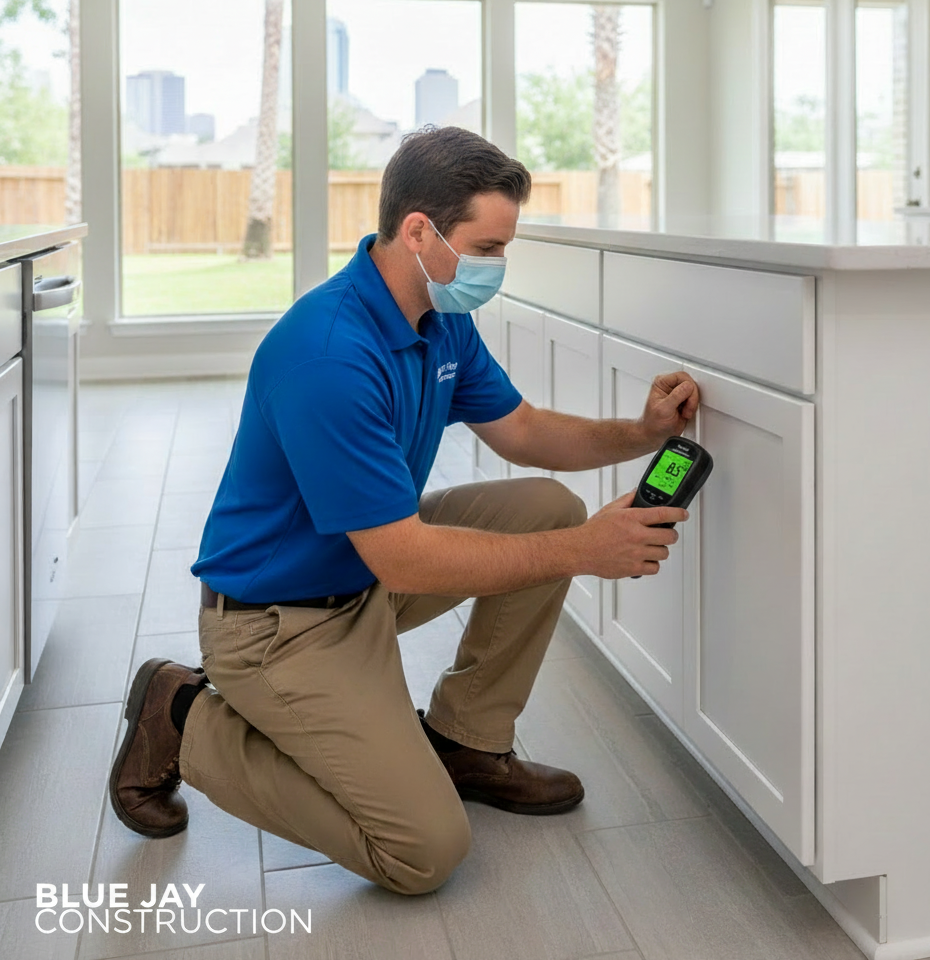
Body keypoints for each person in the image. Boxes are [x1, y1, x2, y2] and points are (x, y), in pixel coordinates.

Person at [108, 126, 700, 896]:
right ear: (419, 230)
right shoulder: (327, 354)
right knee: (422, 853)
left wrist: (643, 433)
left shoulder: (440, 313)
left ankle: (466, 743)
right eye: (486, 248)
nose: (496, 268)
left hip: (360, 577)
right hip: (275, 624)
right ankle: (184, 716)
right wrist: (587, 551)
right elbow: (405, 558)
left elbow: (520, 430)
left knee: (548, 508)